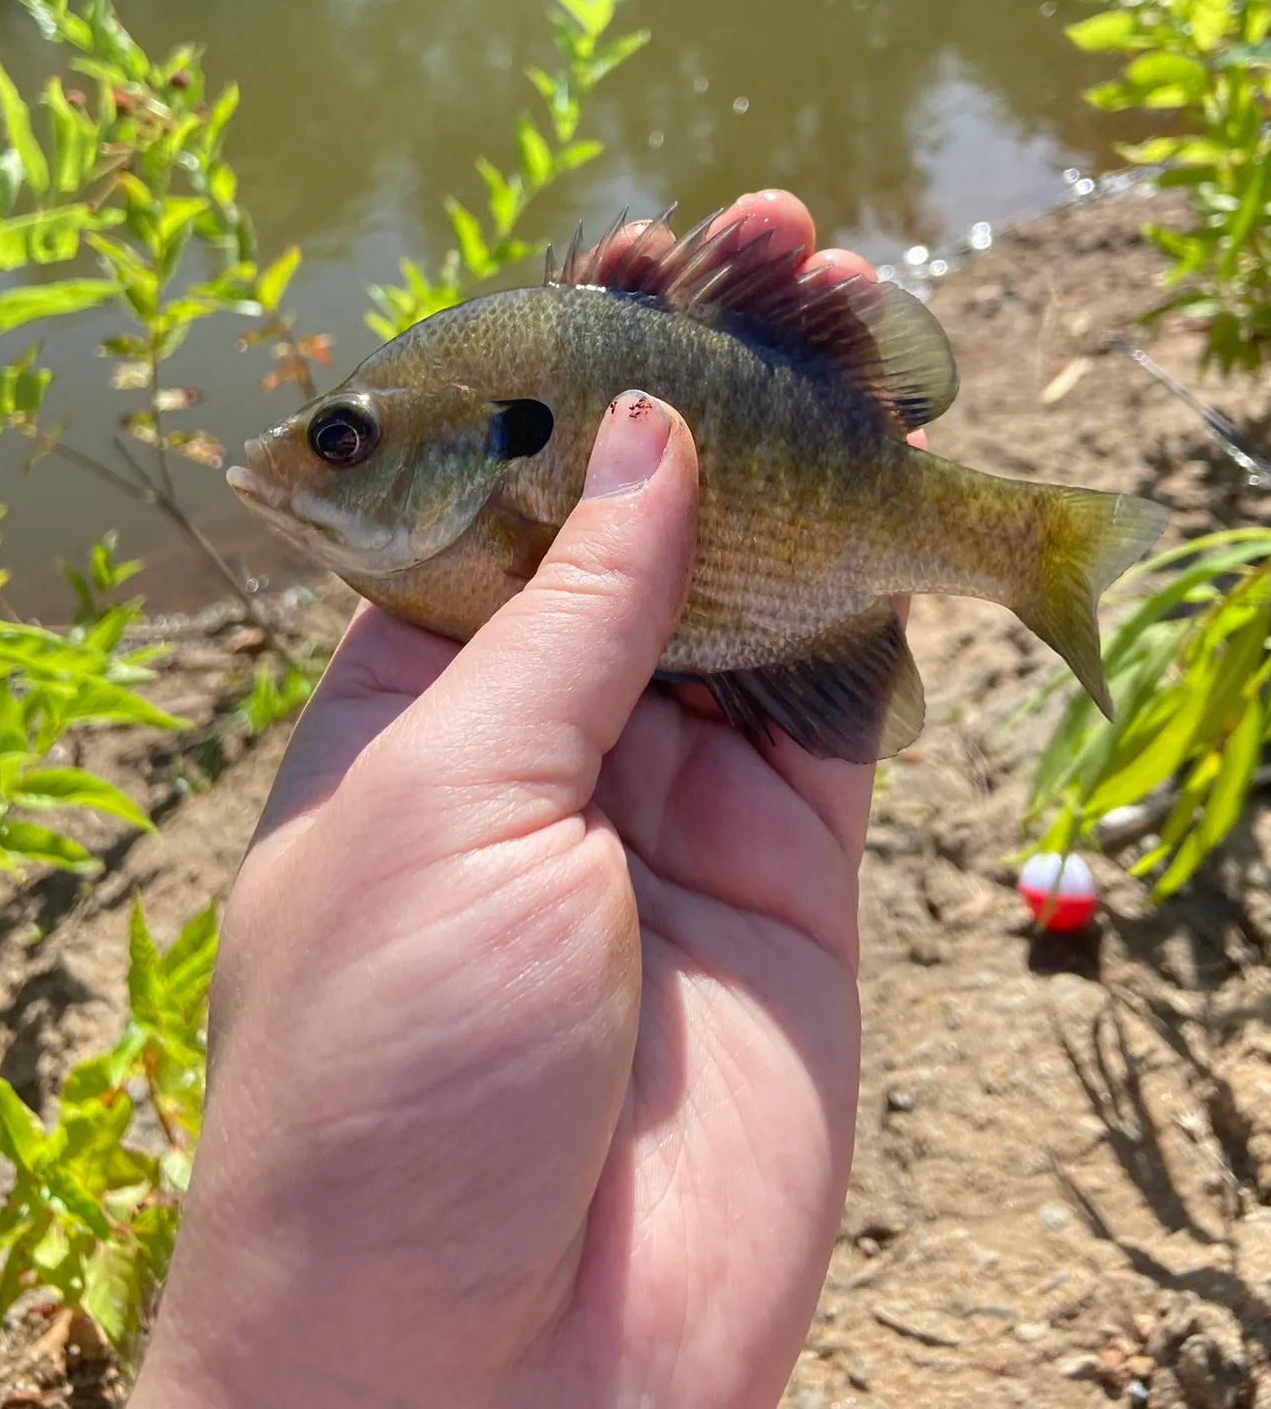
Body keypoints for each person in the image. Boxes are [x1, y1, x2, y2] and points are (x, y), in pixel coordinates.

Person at [130, 191, 926, 1409]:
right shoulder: (451, 535)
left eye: (340, 443)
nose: (298, 462)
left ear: (463, 443)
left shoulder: (487, 525)